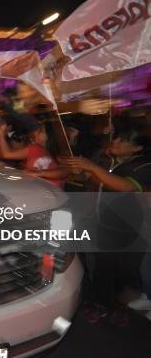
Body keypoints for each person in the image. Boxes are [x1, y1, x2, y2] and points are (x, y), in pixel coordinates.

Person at [62, 129, 151, 325]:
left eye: (123, 139)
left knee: (125, 272)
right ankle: (101, 304)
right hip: (103, 222)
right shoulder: (108, 160)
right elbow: (97, 181)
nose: (116, 141)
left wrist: (92, 167)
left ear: (138, 147)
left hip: (129, 228)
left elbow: (126, 186)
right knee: (102, 267)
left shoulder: (144, 165)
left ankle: (122, 308)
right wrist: (83, 172)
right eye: (117, 136)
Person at [0, 115, 70, 188]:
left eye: (40, 131)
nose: (36, 133)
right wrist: (0, 134)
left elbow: (66, 170)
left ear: (49, 135)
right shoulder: (36, 149)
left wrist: (38, 173)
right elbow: (5, 154)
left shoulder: (59, 153)